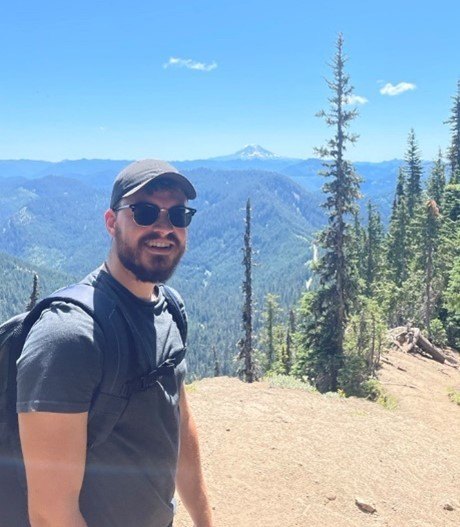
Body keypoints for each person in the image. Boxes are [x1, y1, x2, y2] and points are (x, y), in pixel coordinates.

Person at [16, 159, 214, 527]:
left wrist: (205, 520)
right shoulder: (68, 337)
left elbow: (178, 420)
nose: (164, 227)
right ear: (111, 222)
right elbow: (50, 515)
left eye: (178, 216)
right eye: (144, 212)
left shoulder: (170, 309)